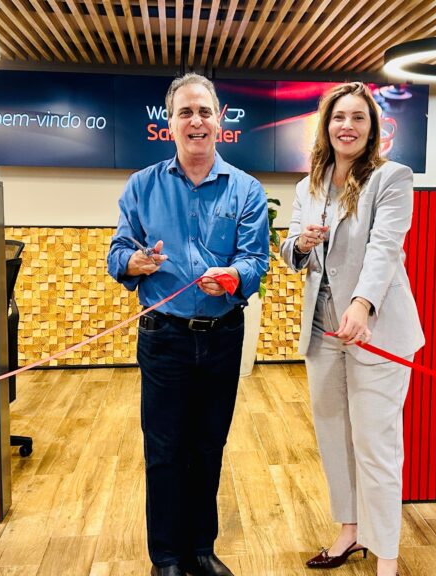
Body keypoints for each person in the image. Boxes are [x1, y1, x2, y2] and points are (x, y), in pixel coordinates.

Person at [107, 73, 269, 576]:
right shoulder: (142, 185)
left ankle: (201, 548)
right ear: (170, 123)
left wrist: (233, 277)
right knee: (164, 451)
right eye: (185, 113)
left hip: (223, 337)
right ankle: (167, 557)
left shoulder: (247, 189)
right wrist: (134, 263)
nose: (195, 121)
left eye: (204, 112)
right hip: (164, 338)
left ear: (219, 120)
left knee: (208, 446)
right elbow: (117, 253)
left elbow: (256, 260)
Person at [280, 82, 425, 576]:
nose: (348, 126)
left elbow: (385, 248)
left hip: (375, 330)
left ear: (372, 127)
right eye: (339, 117)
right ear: (326, 126)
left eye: (358, 118)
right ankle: (351, 530)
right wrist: (301, 243)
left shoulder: (392, 178)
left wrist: (362, 304)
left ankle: (387, 556)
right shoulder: (308, 185)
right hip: (323, 331)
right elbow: (290, 253)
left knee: (376, 445)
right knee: (334, 437)